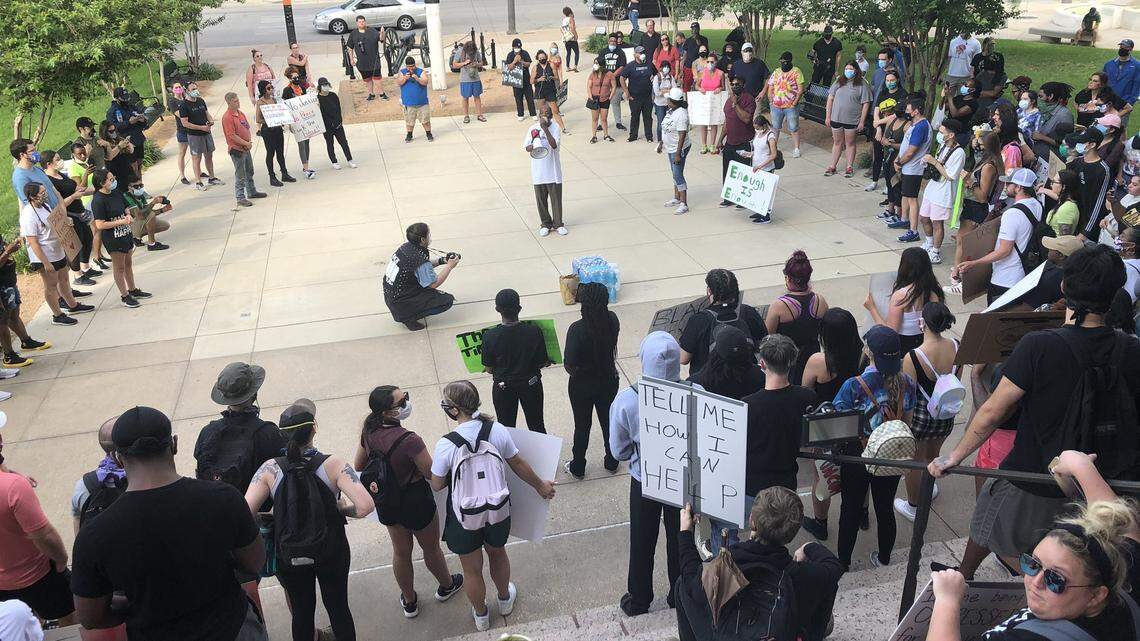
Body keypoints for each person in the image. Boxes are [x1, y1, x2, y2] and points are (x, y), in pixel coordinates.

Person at [931, 244, 1140, 576]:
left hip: (1033, 477)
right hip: (1097, 482)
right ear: (1114, 293)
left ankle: (966, 576)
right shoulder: (1131, 349)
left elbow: (993, 410)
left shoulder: (1039, 345)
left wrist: (954, 456)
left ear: (1064, 287)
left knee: (990, 521)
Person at [71, 407, 269, 640]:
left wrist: (134, 606)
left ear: (117, 458)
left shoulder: (94, 535)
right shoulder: (224, 498)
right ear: (174, 444)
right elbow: (254, 562)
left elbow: (90, 617)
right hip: (231, 629)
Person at [430, 381, 556, 631]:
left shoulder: (446, 444)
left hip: (464, 515)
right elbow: (517, 463)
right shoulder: (496, 430)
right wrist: (540, 485)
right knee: (498, 553)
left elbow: (437, 484)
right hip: (498, 509)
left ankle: (481, 616)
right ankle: (505, 599)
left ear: (454, 410)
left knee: (471, 570)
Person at [244, 404, 374, 641]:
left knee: (302, 613)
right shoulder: (333, 464)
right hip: (331, 550)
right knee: (338, 608)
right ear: (314, 429)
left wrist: (273, 516)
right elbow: (365, 506)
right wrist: (342, 509)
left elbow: (244, 513)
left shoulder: (269, 469)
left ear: (283, 434)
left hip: (290, 553)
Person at [929, 498, 1140, 641]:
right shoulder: (1125, 578)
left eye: (1056, 579)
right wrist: (1081, 467)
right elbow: (1129, 527)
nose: (1035, 582)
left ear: (1096, 595)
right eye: (1034, 564)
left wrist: (947, 601)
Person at [675, 489, 843, 641]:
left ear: (752, 521)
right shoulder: (798, 574)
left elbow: (691, 580)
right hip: (783, 628)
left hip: (724, 633)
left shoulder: (729, 561)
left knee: (682, 584)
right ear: (792, 533)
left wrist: (685, 532)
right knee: (825, 585)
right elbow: (835, 567)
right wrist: (808, 547)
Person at [353, 387, 463, 617]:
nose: (406, 404)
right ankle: (447, 585)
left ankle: (409, 600)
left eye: (406, 398)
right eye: (401, 402)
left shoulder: (368, 431)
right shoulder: (410, 440)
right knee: (431, 548)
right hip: (416, 501)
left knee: (401, 552)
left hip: (387, 502)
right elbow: (431, 474)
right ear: (387, 412)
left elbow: (359, 465)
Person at [703, 334, 816, 552]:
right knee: (773, 535)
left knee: (723, 528)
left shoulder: (748, 406)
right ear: (791, 362)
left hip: (750, 489)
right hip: (785, 485)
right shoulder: (807, 398)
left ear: (762, 364)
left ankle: (727, 563)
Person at [610, 332, 689, 616]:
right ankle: (680, 595)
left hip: (644, 481)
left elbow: (618, 451)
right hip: (682, 480)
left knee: (642, 541)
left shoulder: (626, 401)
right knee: (681, 539)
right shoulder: (697, 392)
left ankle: (639, 599)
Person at [832, 325, 917, 569]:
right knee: (885, 508)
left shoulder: (853, 385)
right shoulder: (907, 382)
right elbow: (907, 423)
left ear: (868, 352)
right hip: (891, 455)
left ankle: (843, 563)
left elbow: (839, 425)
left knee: (850, 510)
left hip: (858, 457)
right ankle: (884, 558)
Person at [0, 416, 74, 625]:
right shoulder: (13, 488)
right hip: (37, 576)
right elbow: (44, 536)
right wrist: (61, 560)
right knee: (69, 618)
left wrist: (12, 475)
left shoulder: (12, 484)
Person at [891, 302, 960, 522]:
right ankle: (929, 488)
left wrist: (904, 424)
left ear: (923, 324)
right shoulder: (956, 346)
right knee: (932, 455)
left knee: (916, 462)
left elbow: (908, 396)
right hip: (946, 413)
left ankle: (913, 505)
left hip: (921, 416)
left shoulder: (914, 356)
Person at [800, 308, 864, 541]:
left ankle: (821, 523)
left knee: (822, 476)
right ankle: (863, 513)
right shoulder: (863, 356)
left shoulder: (818, 361)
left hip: (824, 426)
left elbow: (805, 392)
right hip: (855, 423)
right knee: (860, 470)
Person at [960, 168, 1044, 304]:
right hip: (1024, 277)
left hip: (1005, 279)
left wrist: (974, 263)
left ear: (1019, 187)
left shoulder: (1012, 214)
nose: (1005, 186)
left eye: (1009, 183)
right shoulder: (1037, 205)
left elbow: (1004, 250)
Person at [563, 282, 620, 479]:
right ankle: (612, 461)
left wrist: (582, 372)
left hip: (582, 385)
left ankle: (578, 466)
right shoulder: (612, 320)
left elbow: (569, 365)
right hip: (608, 380)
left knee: (582, 426)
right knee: (608, 422)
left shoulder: (576, 329)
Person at [18, 182, 92, 323]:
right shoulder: (28, 215)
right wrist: (46, 263)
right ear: (32, 196)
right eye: (41, 193)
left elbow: (55, 220)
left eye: (45, 191)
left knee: (64, 279)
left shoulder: (44, 206)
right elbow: (33, 242)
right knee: (51, 286)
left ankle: (72, 305)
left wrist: (66, 220)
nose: (45, 194)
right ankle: (57, 315)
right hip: (45, 256)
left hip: (57, 250)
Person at [482, 289, 551, 432]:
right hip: (531, 385)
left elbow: (489, 369)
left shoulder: (489, 336)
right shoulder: (534, 331)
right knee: (537, 425)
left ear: (497, 309)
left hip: (503, 387)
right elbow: (542, 362)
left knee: (507, 429)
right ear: (519, 308)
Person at [946, 132, 1005, 294]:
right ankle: (957, 272)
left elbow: (982, 196)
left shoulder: (988, 166)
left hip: (976, 208)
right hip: (970, 206)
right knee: (962, 241)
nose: (976, 145)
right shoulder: (984, 161)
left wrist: (969, 181)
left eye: (979, 143)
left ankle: (959, 278)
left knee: (965, 244)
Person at [680, 268, 768, 375]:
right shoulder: (748, 312)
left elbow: (683, 358)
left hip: (709, 380)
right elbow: (765, 345)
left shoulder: (699, 319)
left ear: (709, 291)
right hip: (746, 377)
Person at [89, 170, 149, 308]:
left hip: (125, 233)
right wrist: (121, 221)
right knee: (119, 267)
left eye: (113, 178)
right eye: (110, 179)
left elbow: (125, 207)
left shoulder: (116, 192)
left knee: (128, 263)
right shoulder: (98, 200)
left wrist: (127, 214)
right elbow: (100, 224)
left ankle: (132, 289)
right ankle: (124, 295)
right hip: (113, 238)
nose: (114, 181)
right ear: (102, 183)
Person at [865, 247, 944, 352]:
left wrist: (872, 309)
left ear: (905, 267)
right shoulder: (934, 294)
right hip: (926, 347)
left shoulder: (902, 296)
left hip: (904, 350)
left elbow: (890, 332)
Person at [765, 251, 828, 381]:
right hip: (812, 359)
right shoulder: (820, 301)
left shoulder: (778, 306)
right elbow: (826, 333)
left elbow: (767, 338)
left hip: (786, 363)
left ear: (788, 279)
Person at [382, 223, 458, 331]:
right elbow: (433, 284)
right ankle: (408, 317)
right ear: (422, 239)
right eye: (428, 235)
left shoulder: (406, 247)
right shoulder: (418, 257)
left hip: (392, 296)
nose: (429, 237)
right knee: (447, 301)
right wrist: (449, 266)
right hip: (401, 301)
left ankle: (409, 312)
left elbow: (420, 268)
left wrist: (442, 261)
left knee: (427, 289)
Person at [39, 150, 96, 288]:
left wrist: (96, 188)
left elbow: (78, 188)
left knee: (87, 239)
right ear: (49, 163)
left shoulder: (61, 175)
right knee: (74, 247)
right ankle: (78, 275)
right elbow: (58, 204)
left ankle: (86, 267)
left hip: (79, 211)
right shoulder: (49, 181)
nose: (61, 161)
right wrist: (73, 197)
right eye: (57, 159)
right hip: (69, 215)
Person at [918, 120, 967, 263]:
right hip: (933, 188)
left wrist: (934, 162)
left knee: (937, 223)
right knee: (924, 217)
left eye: (942, 132)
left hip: (943, 192)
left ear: (951, 135)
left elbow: (951, 176)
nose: (939, 134)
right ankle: (929, 242)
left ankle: (935, 251)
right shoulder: (943, 145)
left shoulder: (959, 153)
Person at [0, 229, 47, 369]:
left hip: (9, 281)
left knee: (13, 314)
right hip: (2, 286)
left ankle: (26, 341)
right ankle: (9, 355)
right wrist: (8, 252)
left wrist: (11, 248)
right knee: (2, 320)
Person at [892, 97, 932, 244]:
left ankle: (913, 231)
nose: (906, 112)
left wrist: (899, 162)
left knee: (912, 199)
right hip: (907, 167)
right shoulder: (915, 124)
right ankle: (904, 219)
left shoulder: (921, 127)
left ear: (916, 111)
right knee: (905, 195)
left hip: (914, 168)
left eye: (909, 110)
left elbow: (911, 152)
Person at [824, 61, 871, 178]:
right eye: (846, 69)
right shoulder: (839, 81)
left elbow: (866, 103)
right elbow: (830, 98)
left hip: (852, 120)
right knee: (837, 142)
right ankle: (832, 166)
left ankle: (849, 166)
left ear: (856, 70)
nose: (848, 71)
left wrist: (862, 121)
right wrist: (828, 116)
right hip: (836, 118)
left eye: (850, 69)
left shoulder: (862, 84)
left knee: (850, 143)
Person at [524, 106, 565, 236]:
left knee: (556, 200)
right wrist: (533, 146)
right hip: (538, 172)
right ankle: (545, 224)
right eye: (542, 113)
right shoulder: (532, 128)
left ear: (551, 115)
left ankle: (558, 224)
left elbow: (554, 145)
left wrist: (545, 128)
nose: (544, 115)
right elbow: (526, 147)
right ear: (539, 115)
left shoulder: (555, 128)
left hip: (553, 172)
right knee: (541, 201)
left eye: (547, 113)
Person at [1067, 127, 1112, 243]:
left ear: (1092, 145)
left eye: (1082, 142)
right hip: (1071, 217)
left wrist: (1085, 232)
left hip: (1086, 226)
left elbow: (1099, 203)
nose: (1078, 144)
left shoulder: (1102, 170)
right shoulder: (1077, 162)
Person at [221, 92, 266, 207]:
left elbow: (246, 127)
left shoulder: (240, 113)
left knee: (249, 170)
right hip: (237, 150)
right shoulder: (227, 117)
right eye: (235, 101)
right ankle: (240, 197)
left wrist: (248, 142)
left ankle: (251, 191)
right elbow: (231, 135)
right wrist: (245, 143)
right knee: (240, 174)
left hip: (246, 148)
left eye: (238, 100)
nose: (238, 102)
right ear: (229, 103)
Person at [715, 76, 756, 202]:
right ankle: (729, 198)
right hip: (730, 142)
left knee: (743, 173)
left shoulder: (749, 99)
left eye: (737, 84)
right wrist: (720, 139)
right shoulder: (728, 101)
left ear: (743, 85)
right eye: (732, 84)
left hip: (744, 142)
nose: (734, 86)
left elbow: (746, 119)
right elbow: (727, 122)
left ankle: (742, 199)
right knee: (728, 171)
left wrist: (736, 104)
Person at [177, 82, 223, 191]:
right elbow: (185, 123)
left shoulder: (201, 101)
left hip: (206, 132)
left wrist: (211, 120)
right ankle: (198, 182)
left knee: (209, 155)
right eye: (193, 89)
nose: (195, 91)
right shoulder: (183, 105)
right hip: (194, 135)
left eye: (196, 88)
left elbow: (206, 113)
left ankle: (211, 177)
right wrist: (201, 128)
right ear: (187, 91)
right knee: (196, 158)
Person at [867, 70, 907, 192]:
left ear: (897, 80)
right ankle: (874, 181)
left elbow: (895, 115)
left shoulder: (902, 94)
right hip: (880, 128)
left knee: (890, 158)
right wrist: (878, 128)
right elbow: (876, 111)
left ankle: (890, 184)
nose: (889, 83)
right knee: (877, 155)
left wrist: (879, 122)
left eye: (892, 80)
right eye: (887, 80)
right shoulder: (883, 92)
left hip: (894, 129)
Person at [762, 52, 805, 158]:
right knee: (775, 128)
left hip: (790, 106)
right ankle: (773, 148)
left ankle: (796, 148)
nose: (783, 64)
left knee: (793, 128)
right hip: (776, 106)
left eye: (785, 62)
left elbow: (800, 90)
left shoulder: (796, 72)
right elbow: (770, 86)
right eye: (782, 61)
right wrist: (771, 101)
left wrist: (794, 103)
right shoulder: (776, 72)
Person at [254, 80, 294, 186]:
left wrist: (281, 119)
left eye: (271, 87)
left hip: (277, 129)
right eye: (268, 88)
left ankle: (284, 173)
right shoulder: (260, 102)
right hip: (268, 131)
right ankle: (272, 177)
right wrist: (269, 120)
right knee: (270, 153)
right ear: (263, 90)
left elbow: (278, 113)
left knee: (280, 152)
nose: (271, 89)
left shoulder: (274, 99)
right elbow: (258, 119)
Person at [740, 115, 779, 223]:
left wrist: (760, 166)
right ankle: (760, 210)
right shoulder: (758, 134)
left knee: (765, 192)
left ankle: (766, 216)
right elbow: (758, 150)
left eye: (758, 128)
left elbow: (773, 154)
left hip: (766, 168)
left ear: (764, 125)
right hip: (756, 166)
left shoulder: (770, 136)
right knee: (758, 191)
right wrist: (749, 154)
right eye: (755, 128)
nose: (756, 130)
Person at [311, 79, 356, 171]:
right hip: (327, 126)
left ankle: (350, 159)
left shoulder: (333, 95)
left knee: (344, 143)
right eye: (323, 85)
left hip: (337, 124)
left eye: (327, 84)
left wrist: (339, 122)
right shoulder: (317, 99)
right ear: (320, 87)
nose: (326, 87)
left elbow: (338, 109)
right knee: (330, 143)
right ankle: (334, 161)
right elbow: (319, 114)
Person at [281, 70, 318, 178]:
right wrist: (288, 122)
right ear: (290, 79)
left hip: (305, 119)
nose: (296, 79)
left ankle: (306, 164)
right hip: (295, 121)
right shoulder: (287, 90)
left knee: (307, 143)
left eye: (297, 77)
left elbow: (307, 101)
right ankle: (306, 169)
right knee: (301, 143)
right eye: (294, 78)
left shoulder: (302, 88)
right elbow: (285, 106)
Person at [662, 87, 692, 215]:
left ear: (673, 101)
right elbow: (666, 128)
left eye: (668, 99)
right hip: (671, 147)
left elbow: (682, 135)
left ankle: (684, 203)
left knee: (677, 174)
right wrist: (661, 143)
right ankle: (676, 197)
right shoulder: (671, 110)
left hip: (678, 149)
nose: (667, 100)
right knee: (674, 173)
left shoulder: (681, 115)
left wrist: (678, 154)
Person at [121, 178, 172, 252]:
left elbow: (147, 211)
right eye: (136, 186)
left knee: (165, 225)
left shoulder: (141, 196)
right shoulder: (127, 197)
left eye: (141, 185)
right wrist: (153, 203)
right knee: (151, 215)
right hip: (130, 226)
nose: (139, 188)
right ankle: (152, 244)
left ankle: (137, 238)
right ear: (129, 187)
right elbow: (139, 215)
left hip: (138, 223)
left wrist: (162, 210)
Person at [106, 87, 147, 178]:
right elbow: (112, 128)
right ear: (117, 98)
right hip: (126, 141)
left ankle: (140, 183)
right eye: (123, 98)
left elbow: (142, 119)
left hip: (138, 138)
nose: (126, 99)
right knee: (133, 167)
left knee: (139, 165)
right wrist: (128, 122)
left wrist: (142, 120)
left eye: (127, 97)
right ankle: (135, 184)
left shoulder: (131, 106)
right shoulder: (112, 111)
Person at [346, 16, 387, 101]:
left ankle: (382, 93)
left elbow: (381, 39)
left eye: (363, 21)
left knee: (377, 78)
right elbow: (350, 47)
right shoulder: (353, 34)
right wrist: (351, 59)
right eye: (360, 22)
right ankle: (371, 94)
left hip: (374, 61)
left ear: (365, 22)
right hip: (362, 62)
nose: (361, 23)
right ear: (357, 23)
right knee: (367, 79)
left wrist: (382, 33)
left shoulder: (372, 31)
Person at [619, 46, 655, 142]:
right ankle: (633, 135)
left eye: (643, 52)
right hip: (634, 96)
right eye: (640, 53)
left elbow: (656, 74)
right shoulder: (630, 66)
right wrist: (626, 92)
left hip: (647, 96)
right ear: (635, 54)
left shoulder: (649, 64)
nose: (642, 54)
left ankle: (649, 136)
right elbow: (622, 78)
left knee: (648, 117)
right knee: (635, 116)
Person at [1032, 82, 1075, 161]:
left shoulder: (1064, 115)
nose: (1038, 99)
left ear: (1050, 96)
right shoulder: (1045, 111)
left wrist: (1042, 137)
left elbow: (1066, 146)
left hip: (1053, 159)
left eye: (1041, 96)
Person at [1105, 38, 1139, 130]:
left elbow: (1137, 86)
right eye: (1121, 46)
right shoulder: (1109, 64)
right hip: (1108, 102)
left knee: (1120, 129)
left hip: (1124, 103)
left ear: (1131, 49)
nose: (1122, 48)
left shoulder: (1137, 66)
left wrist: (1130, 102)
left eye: (1125, 47)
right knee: (1104, 128)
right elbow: (1103, 82)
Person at [397, 57, 433, 143]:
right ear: (406, 66)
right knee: (409, 121)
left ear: (415, 65)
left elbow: (425, 82)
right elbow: (399, 82)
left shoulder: (421, 72)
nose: (411, 68)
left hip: (422, 102)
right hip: (408, 103)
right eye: (409, 67)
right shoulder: (402, 72)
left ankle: (429, 134)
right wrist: (405, 78)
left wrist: (417, 78)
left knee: (425, 120)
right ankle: (409, 134)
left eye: (412, 66)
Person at [695, 52, 724, 154]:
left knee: (713, 122)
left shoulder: (720, 73)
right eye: (708, 62)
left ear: (716, 62)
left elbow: (723, 87)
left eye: (712, 62)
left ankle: (712, 144)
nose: (710, 64)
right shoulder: (702, 72)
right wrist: (700, 89)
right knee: (703, 122)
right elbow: (696, 85)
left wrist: (720, 88)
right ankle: (703, 145)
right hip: (704, 99)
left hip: (714, 100)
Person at [533, 49, 567, 133]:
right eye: (540, 58)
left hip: (550, 90)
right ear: (537, 59)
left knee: (555, 111)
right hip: (540, 91)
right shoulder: (535, 67)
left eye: (543, 57)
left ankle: (563, 128)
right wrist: (539, 79)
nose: (542, 59)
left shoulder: (551, 65)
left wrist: (551, 77)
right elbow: (531, 81)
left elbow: (557, 77)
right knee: (542, 112)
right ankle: (542, 129)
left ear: (546, 57)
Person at [1039, 169, 1081, 236]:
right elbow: (1057, 197)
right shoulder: (1064, 202)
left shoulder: (1068, 208)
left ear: (1063, 187)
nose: (1051, 184)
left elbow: (1064, 239)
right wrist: (1043, 190)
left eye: (1054, 182)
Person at [454, 42, 487, 123]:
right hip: (465, 79)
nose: (472, 52)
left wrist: (476, 64)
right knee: (465, 97)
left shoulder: (476, 51)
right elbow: (454, 65)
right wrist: (464, 63)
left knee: (477, 96)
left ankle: (479, 115)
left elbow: (481, 63)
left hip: (476, 78)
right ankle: (466, 116)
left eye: (473, 51)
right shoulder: (460, 52)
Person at [587, 60, 616, 144]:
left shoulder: (609, 74)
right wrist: (591, 97)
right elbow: (589, 86)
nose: (595, 65)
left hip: (605, 99)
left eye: (597, 63)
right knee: (595, 119)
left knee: (604, 118)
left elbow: (613, 86)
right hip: (595, 99)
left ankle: (606, 135)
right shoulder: (593, 74)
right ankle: (594, 136)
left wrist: (610, 97)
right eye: (594, 63)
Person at [507, 39, 537, 121]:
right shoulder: (510, 55)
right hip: (516, 79)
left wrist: (521, 61)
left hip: (526, 78)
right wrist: (514, 61)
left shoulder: (525, 53)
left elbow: (528, 64)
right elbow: (509, 67)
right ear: (513, 47)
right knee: (518, 97)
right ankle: (520, 114)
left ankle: (533, 113)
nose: (517, 49)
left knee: (529, 97)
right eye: (516, 47)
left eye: (519, 47)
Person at [651, 58, 676, 152]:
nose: (666, 68)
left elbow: (674, 90)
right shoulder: (657, 78)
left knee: (670, 122)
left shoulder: (671, 77)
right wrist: (668, 90)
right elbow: (657, 93)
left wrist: (664, 90)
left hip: (669, 104)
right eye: (664, 67)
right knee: (661, 123)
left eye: (667, 67)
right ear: (660, 68)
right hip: (659, 103)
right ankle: (660, 141)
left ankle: (668, 140)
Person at [561, 7, 579, 72]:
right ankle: (575, 67)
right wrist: (576, 36)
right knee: (577, 52)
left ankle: (568, 67)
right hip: (572, 38)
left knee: (568, 53)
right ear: (570, 12)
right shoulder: (571, 19)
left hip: (566, 39)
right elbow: (572, 28)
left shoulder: (564, 20)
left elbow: (562, 29)